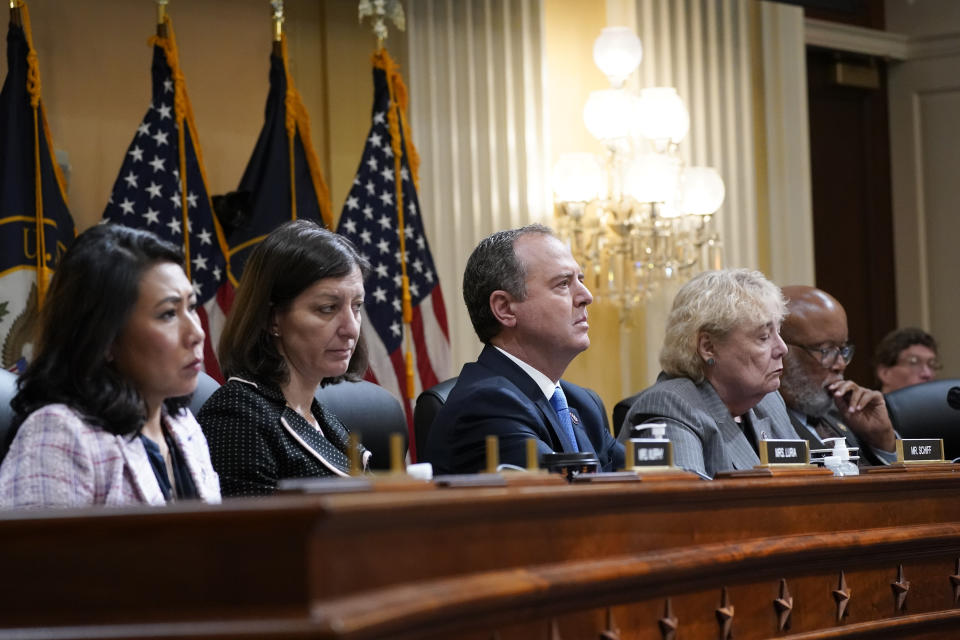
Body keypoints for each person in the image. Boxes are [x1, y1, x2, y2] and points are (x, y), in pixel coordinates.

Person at [0, 224, 221, 507]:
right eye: (168, 314)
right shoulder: (61, 434)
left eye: (190, 307)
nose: (197, 333)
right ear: (104, 339)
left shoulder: (182, 424)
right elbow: (35, 552)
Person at [423, 224, 624, 474]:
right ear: (505, 308)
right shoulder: (486, 405)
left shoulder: (582, 403)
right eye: (563, 283)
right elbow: (568, 502)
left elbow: (646, 482)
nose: (586, 296)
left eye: (580, 281)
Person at [197, 220, 370, 496]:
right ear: (272, 318)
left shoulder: (320, 416)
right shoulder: (236, 419)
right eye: (327, 308)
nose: (351, 329)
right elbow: (254, 537)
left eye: (357, 306)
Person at [617, 269, 799, 478]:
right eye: (764, 337)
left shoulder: (769, 401)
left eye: (778, 332)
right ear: (708, 347)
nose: (782, 348)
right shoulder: (671, 407)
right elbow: (689, 504)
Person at [779, 286, 897, 466]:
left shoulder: (848, 415)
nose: (840, 364)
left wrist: (883, 441)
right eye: (825, 350)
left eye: (842, 349)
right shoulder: (758, 423)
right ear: (778, 349)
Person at [874, 327, 941, 393]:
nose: (927, 374)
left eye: (931, 364)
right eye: (914, 363)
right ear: (885, 373)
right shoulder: (868, 403)